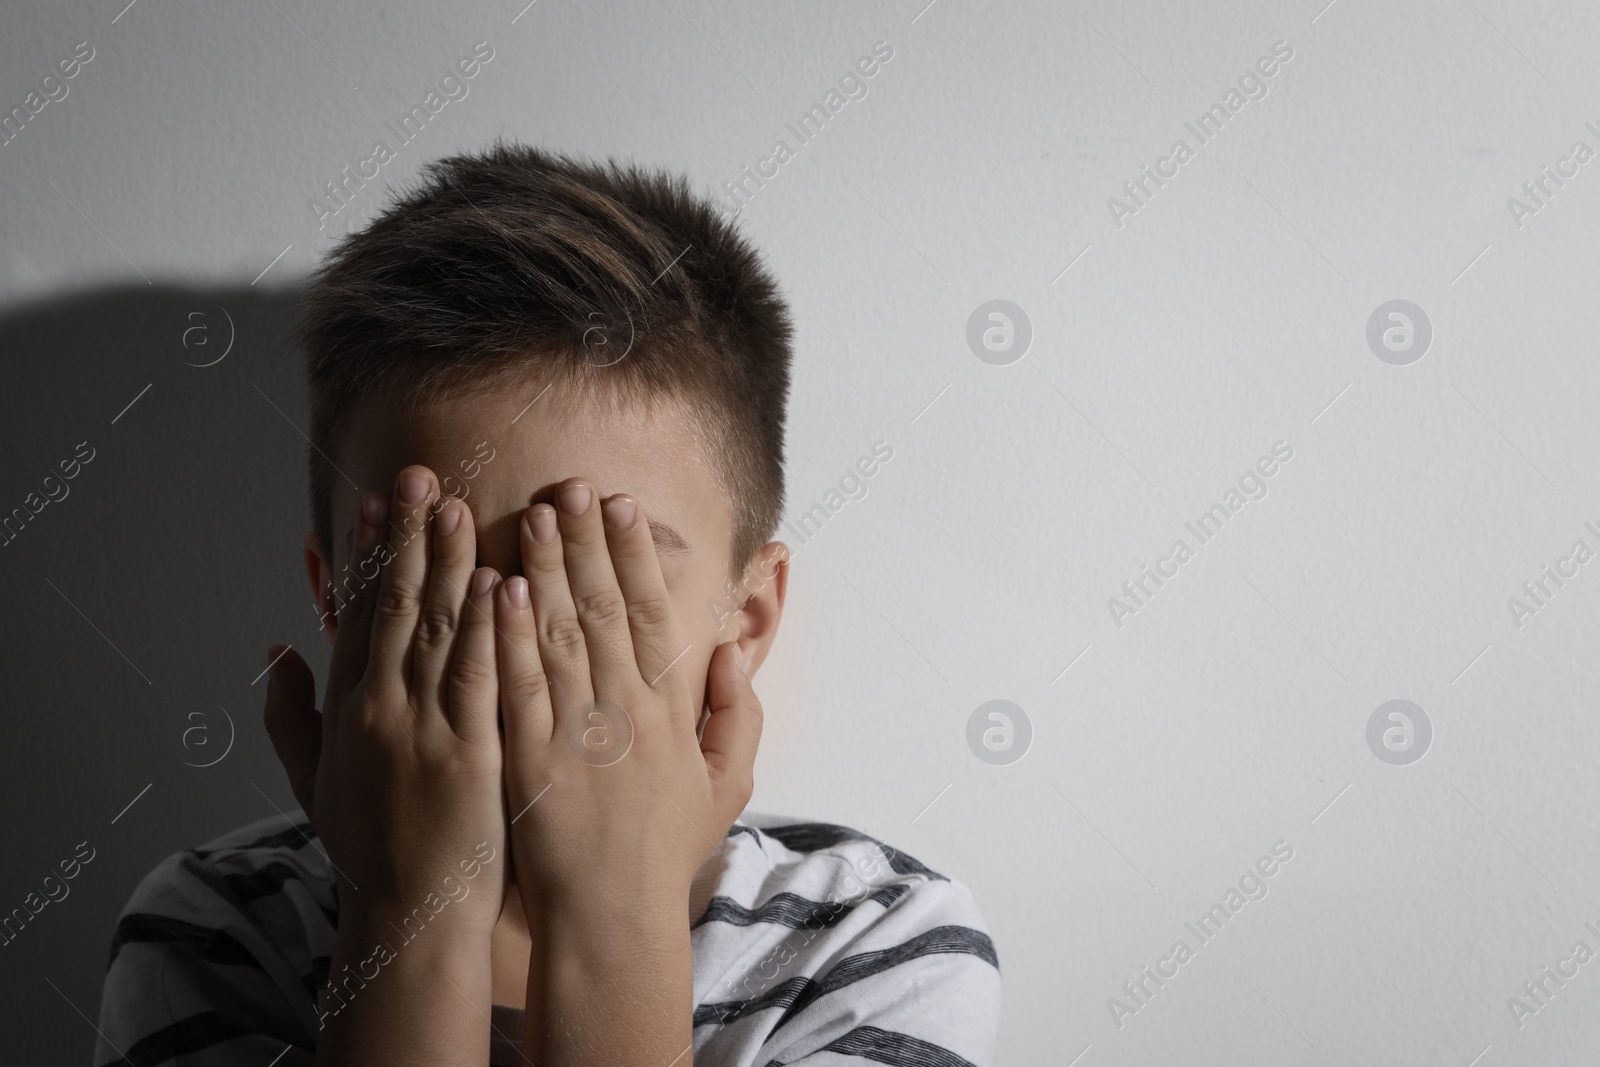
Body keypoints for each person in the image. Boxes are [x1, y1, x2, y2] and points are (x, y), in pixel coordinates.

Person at [93, 141, 1000, 1067]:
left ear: (749, 617)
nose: (515, 653)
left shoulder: (875, 945)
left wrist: (614, 910)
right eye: (433, 580)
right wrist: (414, 913)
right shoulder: (216, 934)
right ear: (341, 600)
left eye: (596, 580)